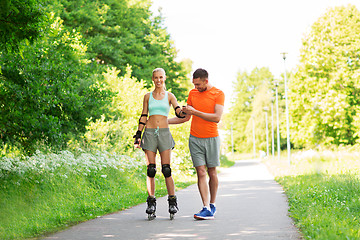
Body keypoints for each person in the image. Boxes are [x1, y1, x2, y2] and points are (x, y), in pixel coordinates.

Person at [168, 68, 225, 220]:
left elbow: (216, 117)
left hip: (212, 137)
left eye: (198, 84)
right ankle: (205, 207)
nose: (196, 88)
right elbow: (186, 117)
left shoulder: (218, 94)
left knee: (212, 172)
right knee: (200, 172)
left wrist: (195, 112)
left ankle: (212, 204)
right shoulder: (192, 94)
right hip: (195, 138)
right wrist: (164, 122)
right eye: (194, 84)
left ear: (206, 81)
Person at [133, 67, 186, 220]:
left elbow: (177, 110)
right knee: (151, 170)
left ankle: (172, 201)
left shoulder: (170, 96)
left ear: (165, 78)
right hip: (149, 133)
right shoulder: (147, 96)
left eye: (161, 77)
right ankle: (151, 202)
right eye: (156, 77)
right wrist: (138, 134)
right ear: (152, 79)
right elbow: (144, 115)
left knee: (166, 169)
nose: (158, 80)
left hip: (164, 133)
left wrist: (182, 112)